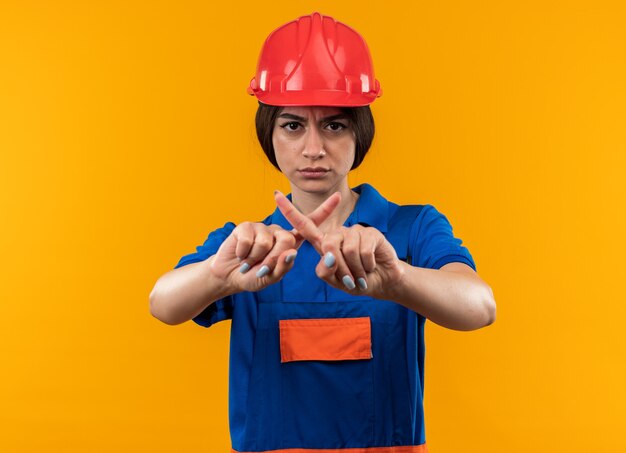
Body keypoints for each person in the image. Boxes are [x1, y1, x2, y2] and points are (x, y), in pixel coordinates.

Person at [150, 12, 496, 453]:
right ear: (268, 134)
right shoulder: (248, 246)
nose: (313, 148)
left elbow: (481, 306)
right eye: (293, 125)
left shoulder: (411, 229)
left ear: (360, 132)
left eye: (334, 124)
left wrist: (399, 281)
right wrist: (219, 277)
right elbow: (162, 303)